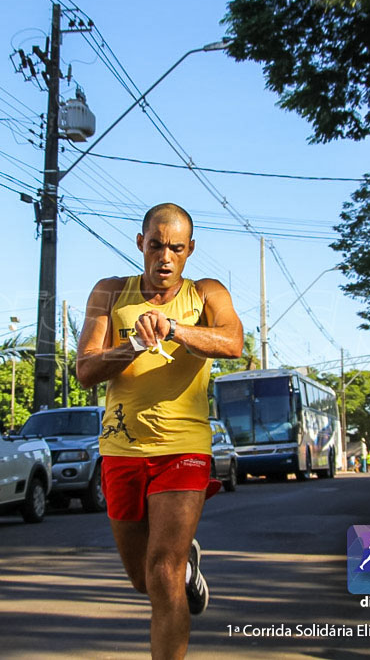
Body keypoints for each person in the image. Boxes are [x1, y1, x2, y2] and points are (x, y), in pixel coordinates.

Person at [76, 203, 243, 659]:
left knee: (161, 568)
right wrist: (133, 343)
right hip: (121, 449)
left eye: (175, 248)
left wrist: (173, 329)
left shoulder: (206, 294)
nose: (164, 257)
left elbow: (233, 342)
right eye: (155, 246)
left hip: (183, 447)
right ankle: (188, 571)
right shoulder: (109, 293)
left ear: (189, 250)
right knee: (143, 579)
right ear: (140, 244)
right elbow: (86, 370)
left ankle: (178, 572)